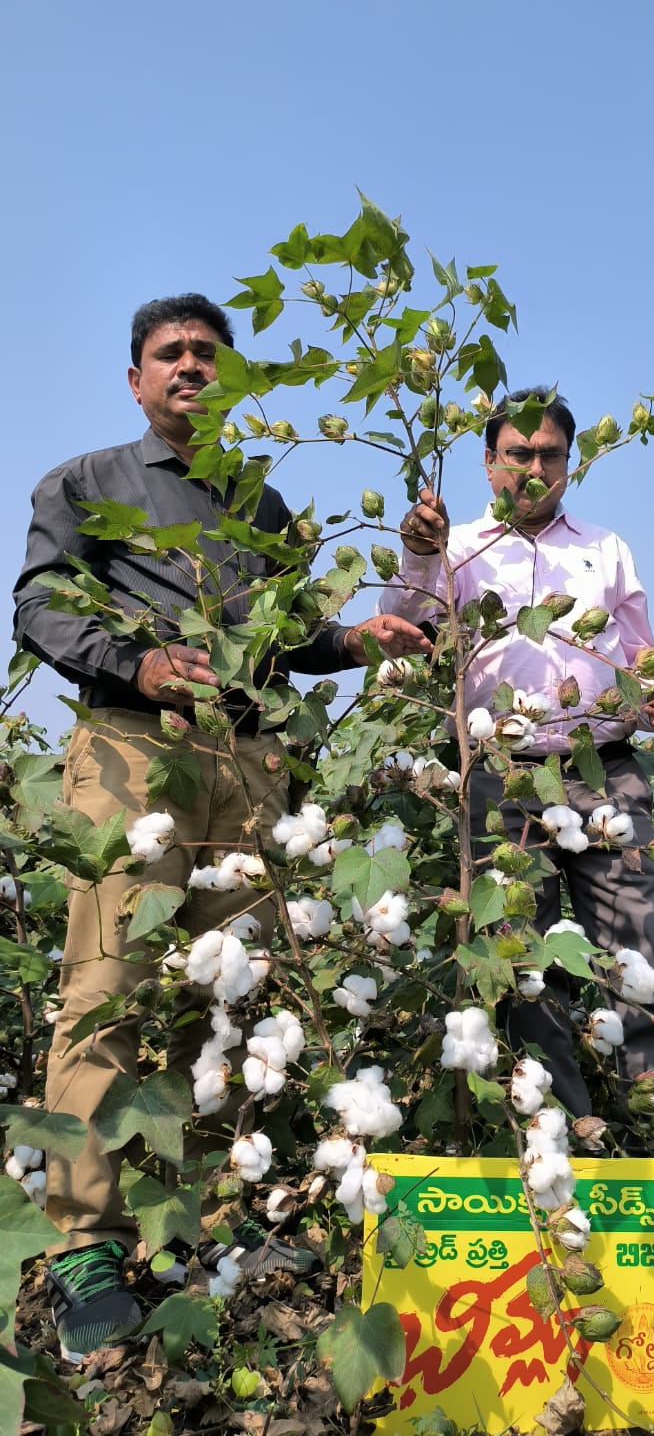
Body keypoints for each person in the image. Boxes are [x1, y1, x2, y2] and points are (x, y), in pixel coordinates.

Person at [13, 294, 430, 1359]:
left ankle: (197, 1219)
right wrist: (139, 663)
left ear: (234, 379)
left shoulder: (264, 502)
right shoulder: (86, 481)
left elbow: (281, 639)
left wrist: (354, 640)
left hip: (246, 761)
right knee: (107, 983)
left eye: (209, 353)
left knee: (226, 992)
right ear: (136, 379)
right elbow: (42, 605)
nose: (190, 366)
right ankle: (85, 1242)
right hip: (135, 748)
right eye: (170, 353)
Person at [379, 387, 654, 1140]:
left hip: (603, 770)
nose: (534, 468)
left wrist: (651, 692)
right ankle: (566, 1140)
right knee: (525, 965)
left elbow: (639, 654)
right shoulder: (456, 548)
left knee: (638, 951)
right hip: (501, 777)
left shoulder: (604, 548)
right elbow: (408, 630)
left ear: (570, 463)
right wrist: (419, 556)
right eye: (517, 453)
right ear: (488, 462)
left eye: (549, 454)